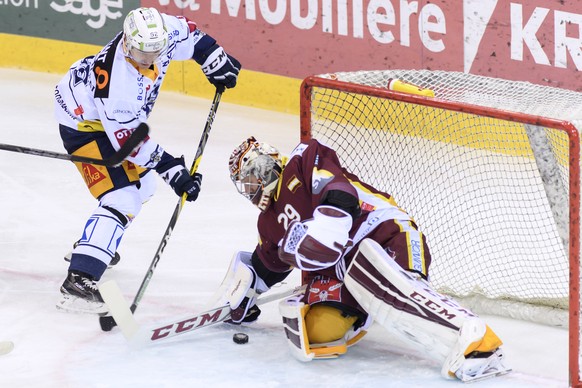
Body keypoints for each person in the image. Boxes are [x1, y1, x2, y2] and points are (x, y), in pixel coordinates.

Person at [217, 136, 511, 382]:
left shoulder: (302, 159)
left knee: (383, 287)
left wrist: (331, 219)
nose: (250, 188)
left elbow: (339, 191)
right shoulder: (268, 223)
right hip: (343, 272)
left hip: (383, 234)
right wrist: (248, 289)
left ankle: (477, 341)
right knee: (317, 332)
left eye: (250, 178)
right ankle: (372, 304)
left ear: (266, 164)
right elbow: (269, 265)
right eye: (244, 184)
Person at [54, 7, 241, 315]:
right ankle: (80, 278)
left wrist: (213, 58)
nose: (149, 59)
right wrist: (173, 169)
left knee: (144, 187)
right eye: (142, 53)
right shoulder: (118, 86)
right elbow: (130, 144)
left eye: (155, 51)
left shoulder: (158, 32)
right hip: (85, 125)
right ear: (127, 42)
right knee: (123, 197)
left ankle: (96, 245)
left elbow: (192, 35)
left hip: (106, 119)